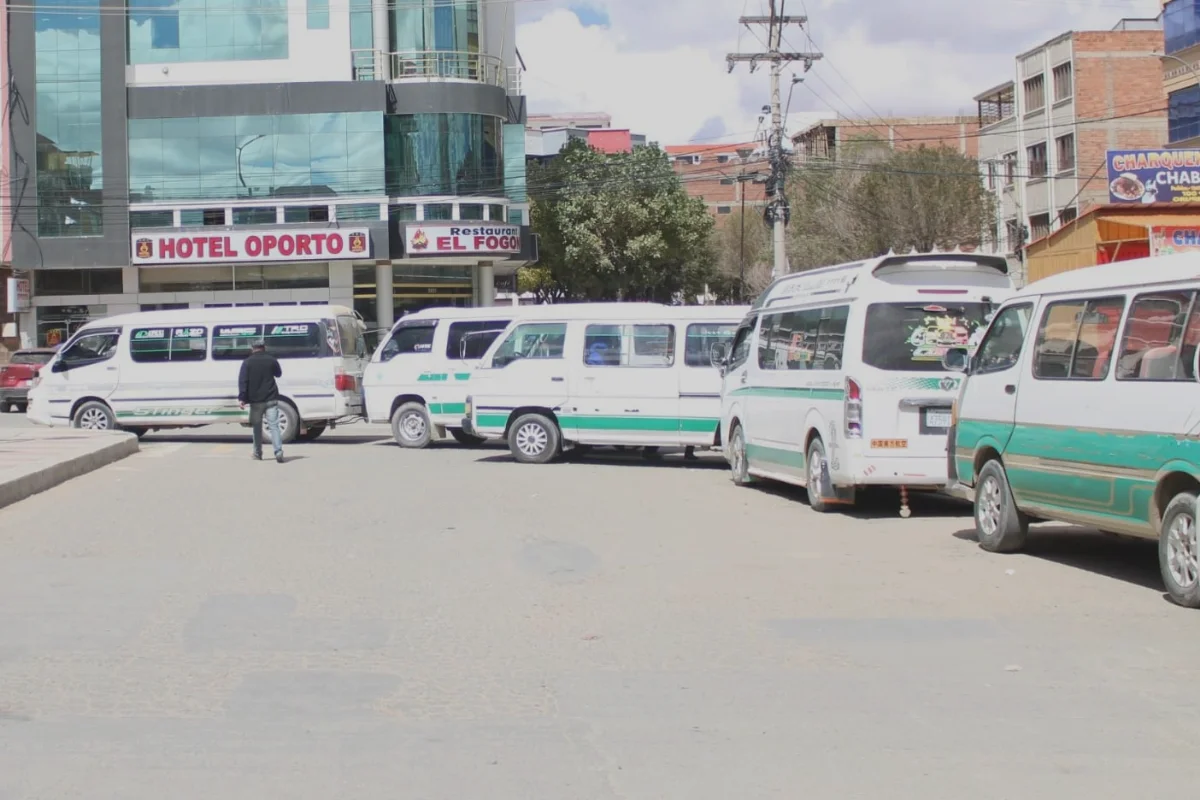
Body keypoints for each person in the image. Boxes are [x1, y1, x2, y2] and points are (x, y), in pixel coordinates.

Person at [238, 341, 284, 462]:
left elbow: (243, 381)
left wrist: (242, 398)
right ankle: (278, 452)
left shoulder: (247, 362)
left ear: (253, 349)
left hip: (256, 401)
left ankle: (257, 453)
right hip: (271, 398)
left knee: (257, 428)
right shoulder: (271, 360)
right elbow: (278, 374)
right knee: (274, 426)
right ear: (264, 348)